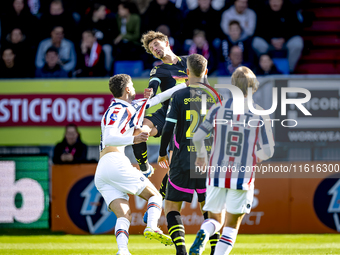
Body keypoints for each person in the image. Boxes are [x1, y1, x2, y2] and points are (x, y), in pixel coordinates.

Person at [94, 74, 187, 255]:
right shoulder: (118, 109)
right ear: (127, 89)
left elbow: (159, 98)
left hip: (103, 170)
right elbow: (109, 137)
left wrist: (183, 86)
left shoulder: (130, 106)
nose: (135, 89)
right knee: (156, 197)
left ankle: (122, 251)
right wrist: (134, 139)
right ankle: (152, 227)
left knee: (124, 214)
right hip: (114, 162)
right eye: (133, 86)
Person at [189, 66, 275, 255]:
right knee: (231, 225)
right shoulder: (260, 113)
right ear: (253, 86)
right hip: (242, 176)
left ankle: (204, 232)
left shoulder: (218, 108)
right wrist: (254, 158)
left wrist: (202, 156)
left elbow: (197, 137)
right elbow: (268, 150)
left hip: (216, 172)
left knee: (214, 220)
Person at [158, 54, 220, 255]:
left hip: (182, 157)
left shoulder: (179, 95)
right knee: (209, 209)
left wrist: (161, 154)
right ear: (206, 72)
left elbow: (168, 128)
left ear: (186, 73)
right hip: (208, 160)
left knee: (171, 207)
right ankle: (213, 251)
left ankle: (181, 251)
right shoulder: (215, 96)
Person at [132, 30, 189, 196]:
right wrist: (150, 92)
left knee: (176, 168)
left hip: (186, 117)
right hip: (166, 112)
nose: (154, 48)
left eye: (156, 44)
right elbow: (154, 84)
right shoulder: (158, 70)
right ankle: (144, 166)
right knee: (140, 131)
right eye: (151, 48)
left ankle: (160, 198)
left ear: (166, 42)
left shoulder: (189, 62)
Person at [252, 0, 304, 73]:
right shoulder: (262, 10)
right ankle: (264, 69)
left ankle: (290, 70)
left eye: (277, 1)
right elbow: (259, 31)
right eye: (272, 1)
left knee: (297, 43)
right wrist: (271, 40)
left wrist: (284, 39)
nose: (275, 3)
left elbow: (296, 29)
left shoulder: (290, 9)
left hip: (285, 42)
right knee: (257, 42)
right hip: (269, 43)